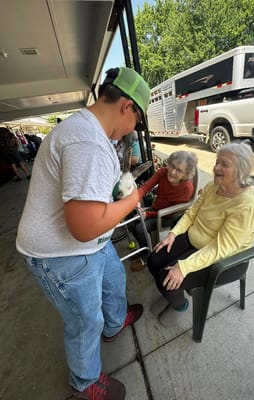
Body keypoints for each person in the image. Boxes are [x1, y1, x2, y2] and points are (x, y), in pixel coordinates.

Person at [16, 67, 150, 400]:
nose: (134, 130)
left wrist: (113, 194)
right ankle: (85, 380)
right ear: (127, 107)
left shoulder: (87, 132)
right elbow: (85, 226)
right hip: (62, 254)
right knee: (84, 320)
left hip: (89, 246)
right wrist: (134, 198)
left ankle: (115, 323)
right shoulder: (89, 141)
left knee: (114, 278)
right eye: (138, 121)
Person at [147, 142, 254, 326]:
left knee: (165, 279)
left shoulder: (246, 205)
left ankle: (180, 304)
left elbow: (220, 248)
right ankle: (174, 294)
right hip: (196, 238)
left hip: (224, 260)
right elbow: (192, 213)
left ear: (241, 170)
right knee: (153, 260)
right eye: (217, 161)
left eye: (224, 164)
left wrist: (183, 267)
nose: (216, 167)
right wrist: (173, 234)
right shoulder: (213, 186)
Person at [130, 150, 198, 271]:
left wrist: (148, 214)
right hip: (155, 208)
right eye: (171, 166)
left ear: (186, 174)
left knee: (140, 228)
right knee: (131, 221)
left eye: (179, 170)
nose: (172, 171)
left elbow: (171, 212)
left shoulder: (187, 188)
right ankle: (144, 247)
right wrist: (136, 200)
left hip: (167, 217)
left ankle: (146, 257)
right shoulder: (162, 172)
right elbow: (145, 187)